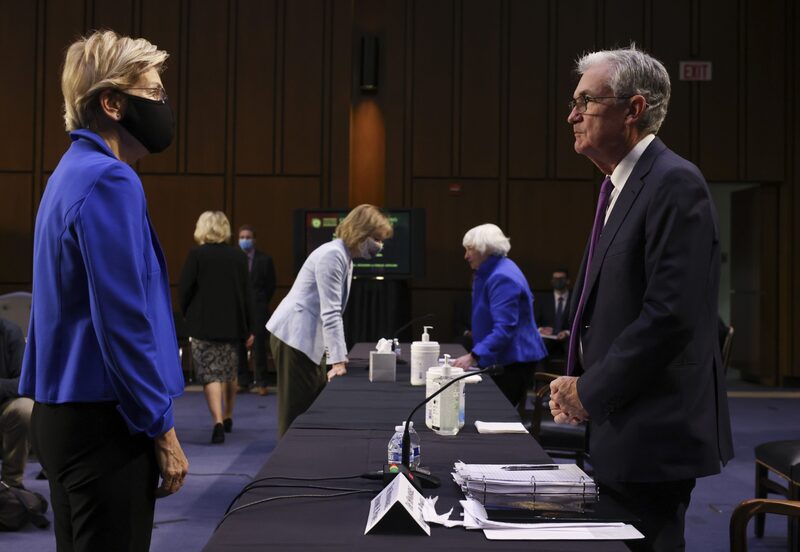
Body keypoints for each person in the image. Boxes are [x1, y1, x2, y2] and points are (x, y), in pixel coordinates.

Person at [549, 46, 733, 551]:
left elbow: (667, 317)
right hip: (623, 419)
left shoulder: (673, 182)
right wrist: (580, 381)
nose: (573, 115)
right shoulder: (620, 185)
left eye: (585, 101)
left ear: (633, 109)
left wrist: (591, 391)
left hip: (654, 430)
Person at [19, 30, 189, 551]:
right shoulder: (108, 180)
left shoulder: (69, 172)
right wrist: (162, 429)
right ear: (113, 103)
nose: (164, 105)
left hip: (65, 416)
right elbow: (122, 324)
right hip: (105, 424)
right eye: (155, 93)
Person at [267, 205, 393, 437]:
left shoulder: (344, 256)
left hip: (306, 340)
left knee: (310, 403)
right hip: (294, 338)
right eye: (376, 238)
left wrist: (337, 356)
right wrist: (337, 361)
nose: (379, 245)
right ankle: (287, 467)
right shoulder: (333, 255)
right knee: (295, 411)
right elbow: (331, 313)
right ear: (361, 232)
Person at [452, 224, 547, 407]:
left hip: (512, 361)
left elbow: (505, 327)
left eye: (469, 249)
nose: (466, 256)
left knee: (496, 415)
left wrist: (473, 356)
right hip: (505, 358)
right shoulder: (498, 269)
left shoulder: (501, 276)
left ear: (485, 248)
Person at [179, 212, 254, 444]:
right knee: (229, 372)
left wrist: (185, 314)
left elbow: (184, 290)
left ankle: (218, 422)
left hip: (203, 325)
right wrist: (249, 327)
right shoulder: (238, 257)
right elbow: (247, 294)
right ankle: (230, 415)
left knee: (210, 374)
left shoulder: (196, 255)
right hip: (232, 325)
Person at [236, 224, 277, 395]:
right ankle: (242, 381)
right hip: (238, 308)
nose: (245, 240)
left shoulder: (264, 260)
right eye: (242, 237)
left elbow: (271, 285)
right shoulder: (234, 258)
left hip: (259, 309)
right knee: (239, 346)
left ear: (254, 239)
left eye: (248, 237)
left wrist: (260, 301)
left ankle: (261, 382)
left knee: (259, 347)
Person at [0, 318, 33, 489]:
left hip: (3, 408)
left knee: (25, 408)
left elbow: (23, 383)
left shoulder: (10, 331)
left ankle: (11, 485)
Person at [534, 269, 572, 365]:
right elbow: (534, 320)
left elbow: (580, 321)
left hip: (567, 337)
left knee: (572, 349)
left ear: (568, 281)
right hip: (548, 336)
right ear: (552, 281)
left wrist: (567, 332)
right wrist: (541, 329)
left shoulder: (575, 299)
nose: (558, 281)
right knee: (540, 347)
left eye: (561, 278)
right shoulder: (543, 299)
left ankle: (569, 379)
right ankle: (541, 378)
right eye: (555, 278)